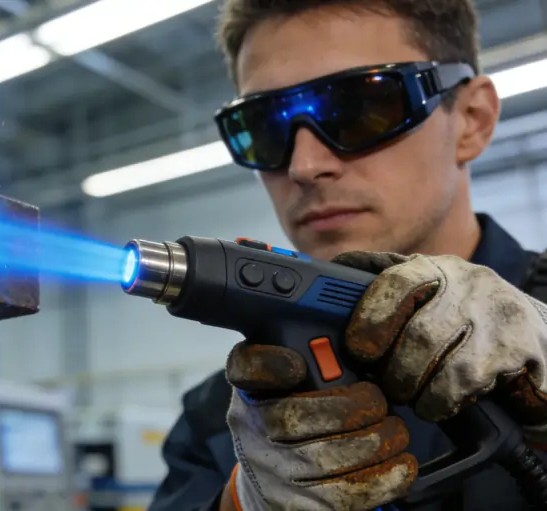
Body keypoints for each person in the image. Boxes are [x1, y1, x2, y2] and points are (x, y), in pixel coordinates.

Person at [147, 1, 547, 510]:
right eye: (265, 126)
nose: (304, 166)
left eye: (357, 109)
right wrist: (241, 504)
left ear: (471, 119)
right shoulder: (220, 420)